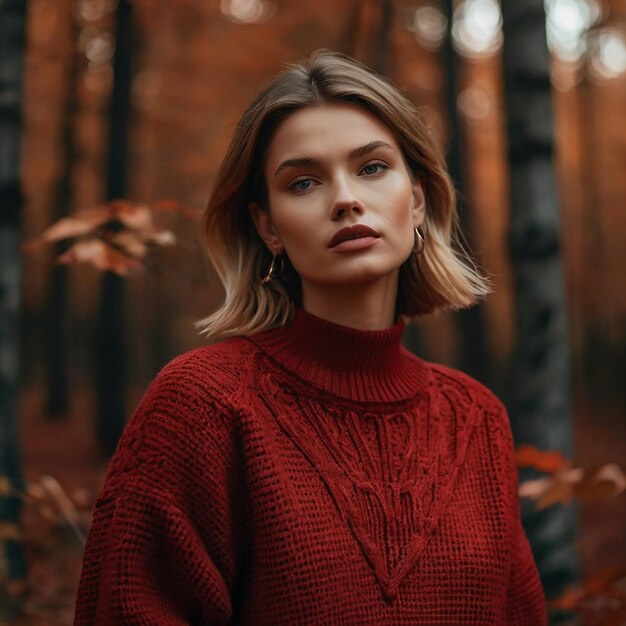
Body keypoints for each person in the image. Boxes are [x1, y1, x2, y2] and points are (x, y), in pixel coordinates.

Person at [74, 50, 547, 625]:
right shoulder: (204, 404)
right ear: (268, 226)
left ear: (417, 199)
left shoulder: (476, 418)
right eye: (303, 182)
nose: (346, 199)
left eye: (372, 168)